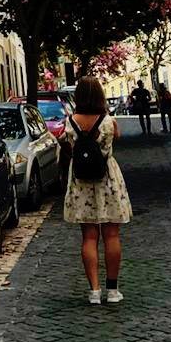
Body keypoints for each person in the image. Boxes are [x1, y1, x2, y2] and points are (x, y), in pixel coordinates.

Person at [64, 76, 133, 306]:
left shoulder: (70, 122)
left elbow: (67, 144)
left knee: (89, 237)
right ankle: (113, 290)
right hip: (107, 179)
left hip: (81, 182)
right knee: (111, 235)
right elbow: (117, 137)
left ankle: (94, 290)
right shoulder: (108, 122)